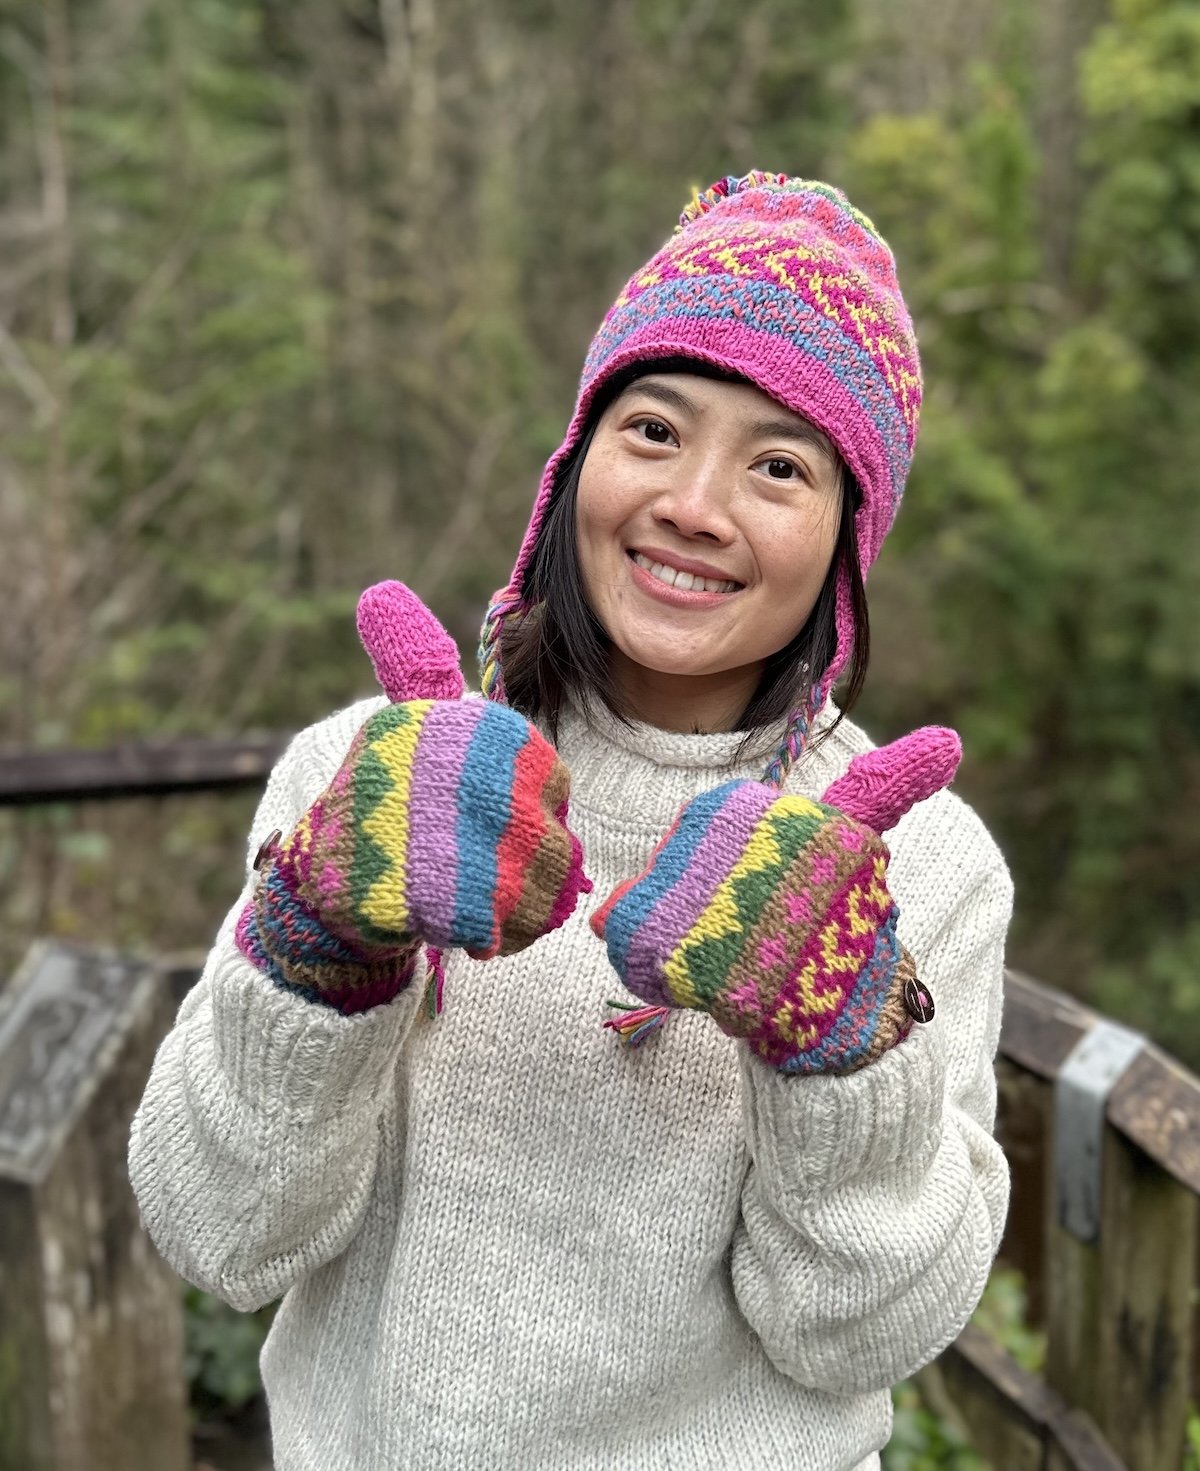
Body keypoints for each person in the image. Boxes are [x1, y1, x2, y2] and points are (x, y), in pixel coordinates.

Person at [129, 171, 1012, 1471]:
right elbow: (221, 1236)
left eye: (779, 464)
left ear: (845, 539)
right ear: (574, 464)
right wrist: (318, 935)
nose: (695, 504)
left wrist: (847, 1048)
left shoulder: (916, 865)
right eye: (654, 430)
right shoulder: (370, 775)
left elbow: (855, 1338)